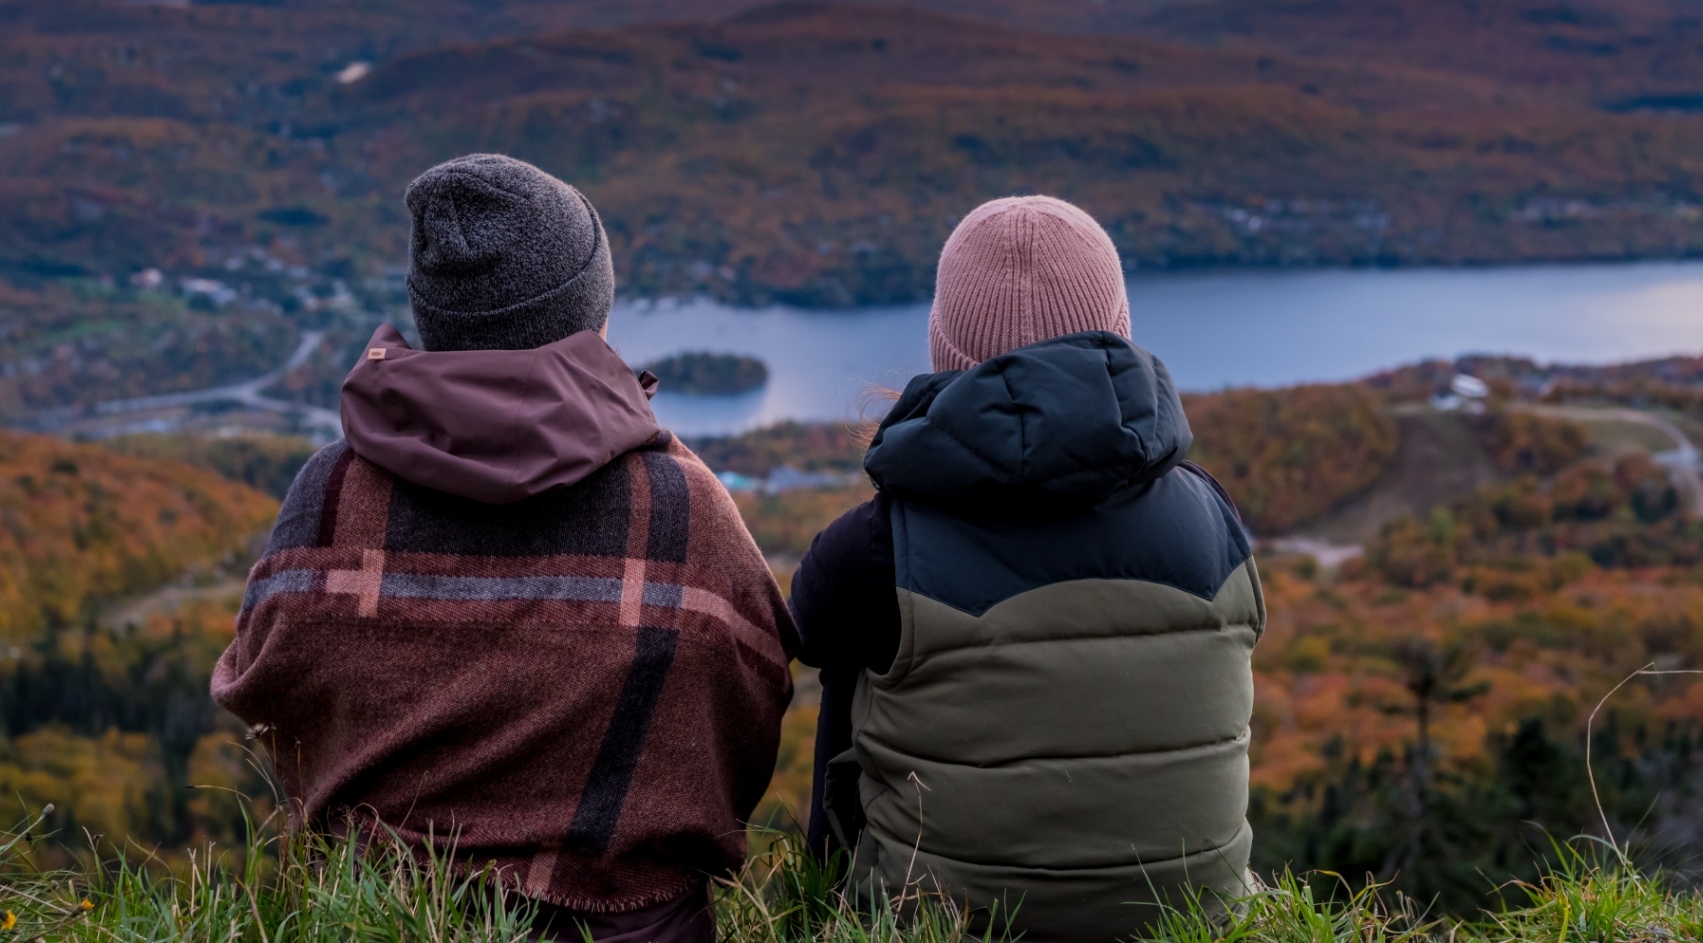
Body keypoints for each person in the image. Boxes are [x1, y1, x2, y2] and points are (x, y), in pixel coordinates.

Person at [213, 154, 795, 943]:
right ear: (590, 307)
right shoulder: (680, 507)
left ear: (434, 311)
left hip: (374, 920)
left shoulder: (329, 491)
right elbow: (751, 718)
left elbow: (258, 690)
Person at [789, 195, 1263, 943]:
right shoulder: (1216, 519)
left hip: (943, 925)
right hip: (1191, 919)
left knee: (856, 657)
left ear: (945, 348)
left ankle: (825, 896)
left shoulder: (877, 545)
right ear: (1117, 332)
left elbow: (804, 631)